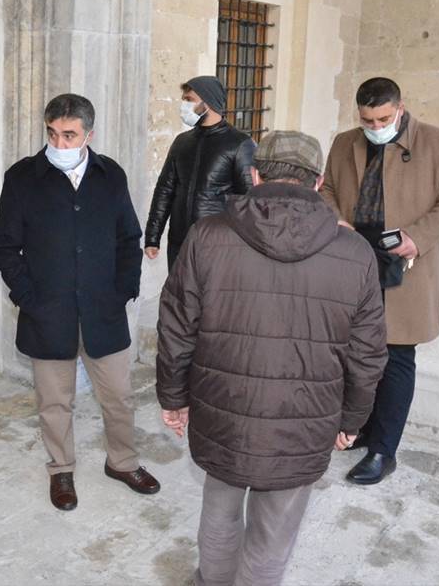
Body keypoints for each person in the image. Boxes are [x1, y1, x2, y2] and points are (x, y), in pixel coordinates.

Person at [156, 130, 388, 586]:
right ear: (318, 182)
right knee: (274, 532)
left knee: (219, 513)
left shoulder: (207, 237)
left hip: (223, 408)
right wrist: (352, 419)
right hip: (305, 419)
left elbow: (176, 328)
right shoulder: (355, 252)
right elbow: (368, 354)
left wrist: (174, 397)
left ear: (255, 175)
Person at [0, 93, 160, 511]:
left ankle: (122, 462)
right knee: (54, 402)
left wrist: (124, 289)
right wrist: (28, 298)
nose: (59, 144)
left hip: (104, 310)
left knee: (119, 396)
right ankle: (61, 469)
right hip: (47, 313)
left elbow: (128, 237)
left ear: (89, 135)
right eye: (52, 133)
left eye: (69, 135)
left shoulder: (111, 175)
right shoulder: (22, 178)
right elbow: (5, 246)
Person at [321, 77, 439, 486]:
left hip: (405, 263)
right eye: (367, 120)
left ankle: (383, 450)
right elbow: (328, 188)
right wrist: (337, 220)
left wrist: (416, 238)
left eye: (384, 119)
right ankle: (362, 428)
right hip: (353, 259)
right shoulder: (344, 142)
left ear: (400, 109)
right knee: (356, 351)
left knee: (396, 355)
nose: (375, 127)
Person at [144, 76, 256, 269]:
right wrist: (152, 237)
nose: (184, 105)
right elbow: (165, 191)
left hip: (217, 246)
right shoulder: (182, 142)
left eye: (189, 100)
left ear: (208, 102)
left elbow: (249, 199)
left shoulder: (239, 144)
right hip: (179, 244)